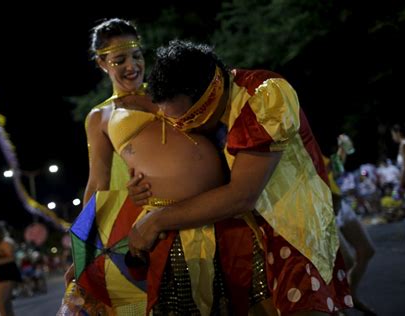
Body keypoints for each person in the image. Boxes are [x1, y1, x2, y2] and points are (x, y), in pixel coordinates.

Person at [127, 40, 352, 315]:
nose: (181, 130)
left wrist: (157, 220)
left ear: (209, 96)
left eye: (185, 120)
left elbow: (242, 195)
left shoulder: (265, 95)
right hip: (247, 240)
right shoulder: (212, 111)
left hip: (294, 235)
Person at [64, 18, 230, 315]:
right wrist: (82, 250)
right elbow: (98, 184)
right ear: (102, 64)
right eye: (119, 60)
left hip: (222, 206)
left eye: (137, 56)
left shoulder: (166, 87)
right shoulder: (99, 117)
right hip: (166, 225)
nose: (132, 65)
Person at [324, 135, 376, 315]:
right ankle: (335, 306)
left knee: (366, 250)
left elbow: (334, 169)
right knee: (345, 261)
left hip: (340, 203)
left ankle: (350, 295)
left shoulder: (314, 144)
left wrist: (343, 149)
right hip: (325, 208)